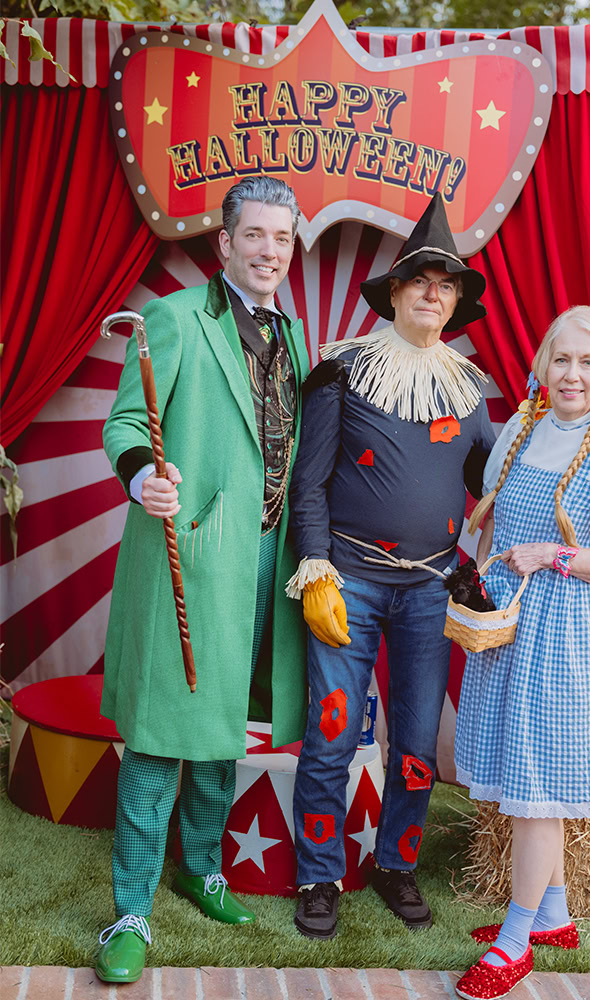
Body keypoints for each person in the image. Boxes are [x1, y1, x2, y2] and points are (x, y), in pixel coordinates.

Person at [96, 177, 309, 984]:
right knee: (161, 735)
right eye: (254, 236)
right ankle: (130, 910)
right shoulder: (176, 317)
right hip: (190, 550)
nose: (267, 251)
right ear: (225, 244)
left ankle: (201, 867)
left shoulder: (292, 336)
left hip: (264, 556)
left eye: (281, 239)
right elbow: (125, 421)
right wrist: (144, 472)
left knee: (222, 726)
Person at [286, 193, 496, 939]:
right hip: (349, 578)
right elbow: (307, 481)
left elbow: (493, 489)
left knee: (414, 743)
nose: (433, 292)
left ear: (455, 302)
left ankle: (395, 863)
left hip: (427, 593)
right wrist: (314, 567)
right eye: (421, 279)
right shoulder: (342, 372)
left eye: (447, 283)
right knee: (333, 734)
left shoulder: (470, 393)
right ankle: (319, 873)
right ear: (398, 291)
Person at [453, 306, 590, 1000]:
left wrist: (553, 555)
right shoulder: (520, 429)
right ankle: (553, 914)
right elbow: (497, 524)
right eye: (561, 360)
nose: (572, 375)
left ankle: (514, 943)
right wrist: (483, 579)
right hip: (509, 622)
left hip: (562, 628)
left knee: (536, 785)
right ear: (542, 364)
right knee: (524, 764)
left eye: (588, 362)